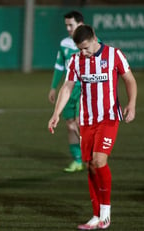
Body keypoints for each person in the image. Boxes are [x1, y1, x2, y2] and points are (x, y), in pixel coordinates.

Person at [48, 25, 137, 230]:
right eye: (80, 49)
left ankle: (105, 213)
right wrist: (56, 113)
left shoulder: (114, 55)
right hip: (86, 120)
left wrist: (131, 104)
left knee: (99, 160)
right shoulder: (75, 61)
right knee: (89, 165)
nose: (83, 52)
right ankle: (96, 215)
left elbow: (129, 79)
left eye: (86, 48)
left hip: (108, 118)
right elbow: (68, 87)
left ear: (95, 38)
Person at [48, 10, 84, 172]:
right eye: (67, 25)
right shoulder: (64, 44)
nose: (68, 28)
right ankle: (77, 160)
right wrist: (53, 87)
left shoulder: (90, 42)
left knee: (78, 122)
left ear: (80, 24)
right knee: (70, 126)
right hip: (68, 88)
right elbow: (59, 67)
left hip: (84, 88)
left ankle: (89, 153)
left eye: (71, 25)